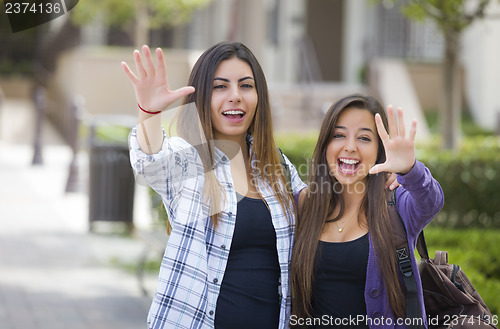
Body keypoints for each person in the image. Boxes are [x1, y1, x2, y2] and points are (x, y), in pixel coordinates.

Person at [122, 42, 307, 329]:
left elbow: (323, 210)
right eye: (221, 86)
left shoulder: (277, 165)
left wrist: (395, 179)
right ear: (202, 95)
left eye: (246, 86)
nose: (235, 96)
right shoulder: (189, 160)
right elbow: (150, 162)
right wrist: (149, 112)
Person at [290, 94, 444, 328]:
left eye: (364, 138)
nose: (350, 147)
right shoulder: (304, 205)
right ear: (325, 145)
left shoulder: (396, 203)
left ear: (379, 150)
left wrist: (410, 170)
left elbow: (432, 200)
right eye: (339, 135)